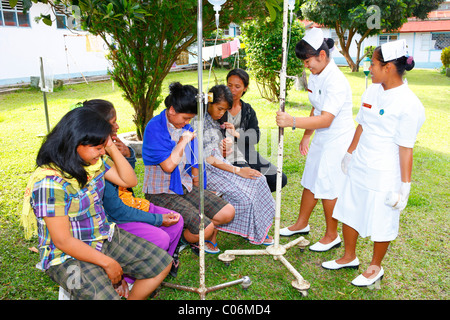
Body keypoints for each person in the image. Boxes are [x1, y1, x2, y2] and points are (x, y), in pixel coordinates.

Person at [21, 107, 172, 300]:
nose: (101, 153)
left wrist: (109, 147)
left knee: (161, 264)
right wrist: (108, 263)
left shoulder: (93, 163)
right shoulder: (49, 183)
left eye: (103, 147)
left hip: (101, 237)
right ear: (75, 142)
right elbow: (62, 241)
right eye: (98, 147)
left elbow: (129, 181)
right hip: (66, 256)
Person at [322, 40, 425, 287]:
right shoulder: (372, 90)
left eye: (374, 64)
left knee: (382, 220)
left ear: (389, 67)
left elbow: (405, 148)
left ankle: (374, 267)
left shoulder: (410, 105)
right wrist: (349, 153)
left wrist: (405, 185)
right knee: (349, 208)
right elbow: (362, 124)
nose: (370, 68)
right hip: (360, 162)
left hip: (385, 171)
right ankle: (348, 256)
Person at [82, 99, 184, 278]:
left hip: (128, 204)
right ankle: (131, 277)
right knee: (161, 237)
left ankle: (160, 268)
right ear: (99, 126)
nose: (118, 126)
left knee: (177, 221)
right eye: (113, 123)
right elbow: (117, 210)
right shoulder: (95, 157)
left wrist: (127, 155)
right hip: (114, 219)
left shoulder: (106, 153)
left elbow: (128, 184)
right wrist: (157, 219)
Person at [276, 27, 355, 252]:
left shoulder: (336, 82)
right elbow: (315, 106)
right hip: (321, 135)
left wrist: (292, 121)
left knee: (328, 186)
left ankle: (332, 235)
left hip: (337, 138)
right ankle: (301, 224)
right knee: (310, 179)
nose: (306, 65)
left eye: (308, 60)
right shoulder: (316, 74)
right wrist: (306, 135)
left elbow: (327, 119)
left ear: (322, 55)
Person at [142, 82, 235, 254]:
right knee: (206, 229)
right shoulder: (155, 128)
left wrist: (199, 187)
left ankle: (191, 232)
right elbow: (169, 166)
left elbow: (194, 160)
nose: (187, 122)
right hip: (160, 191)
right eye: (185, 118)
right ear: (172, 110)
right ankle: (179, 238)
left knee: (227, 213)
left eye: (190, 119)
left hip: (184, 186)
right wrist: (183, 141)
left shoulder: (185, 126)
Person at [192, 85, 275, 245]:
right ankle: (218, 228)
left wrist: (225, 145)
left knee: (259, 180)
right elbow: (207, 159)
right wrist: (237, 170)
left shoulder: (216, 121)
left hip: (221, 164)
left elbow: (218, 155)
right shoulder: (198, 122)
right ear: (209, 102)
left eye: (224, 110)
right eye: (219, 108)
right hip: (207, 171)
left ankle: (258, 229)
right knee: (244, 196)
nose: (221, 113)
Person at [220, 68, 288, 193]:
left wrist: (237, 134)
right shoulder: (218, 107)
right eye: (229, 85)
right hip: (226, 155)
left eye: (237, 86)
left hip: (248, 153)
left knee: (279, 179)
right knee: (253, 180)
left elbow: (255, 136)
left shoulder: (248, 110)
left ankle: (252, 198)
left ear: (245, 88)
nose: (232, 90)